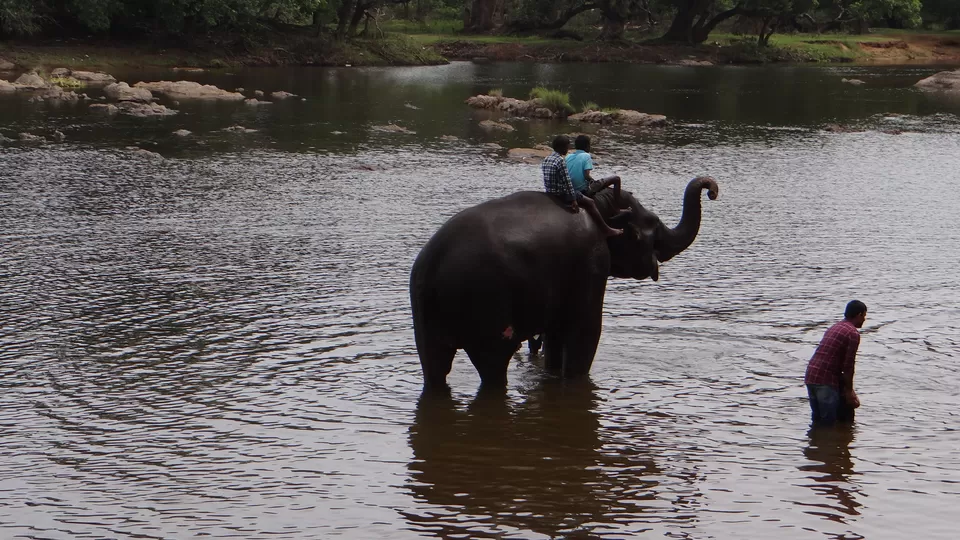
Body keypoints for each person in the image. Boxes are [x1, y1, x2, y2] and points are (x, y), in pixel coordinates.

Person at [541, 135, 622, 237]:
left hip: (550, 192)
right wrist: (574, 199)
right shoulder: (561, 160)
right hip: (562, 193)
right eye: (567, 147)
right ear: (561, 147)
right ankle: (606, 229)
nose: (568, 149)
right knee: (591, 202)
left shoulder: (548, 159)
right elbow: (568, 181)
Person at [804, 300, 867, 426]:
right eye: (864, 316)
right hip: (825, 380)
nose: (864, 320)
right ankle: (828, 443)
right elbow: (848, 366)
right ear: (859, 315)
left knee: (817, 421)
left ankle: (816, 444)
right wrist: (849, 392)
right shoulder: (852, 333)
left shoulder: (835, 327)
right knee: (828, 424)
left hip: (811, 376)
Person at [565, 135, 624, 202]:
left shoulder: (568, 156)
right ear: (587, 146)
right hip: (583, 190)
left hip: (571, 189)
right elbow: (586, 176)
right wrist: (593, 181)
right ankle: (617, 206)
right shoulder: (586, 155)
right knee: (616, 179)